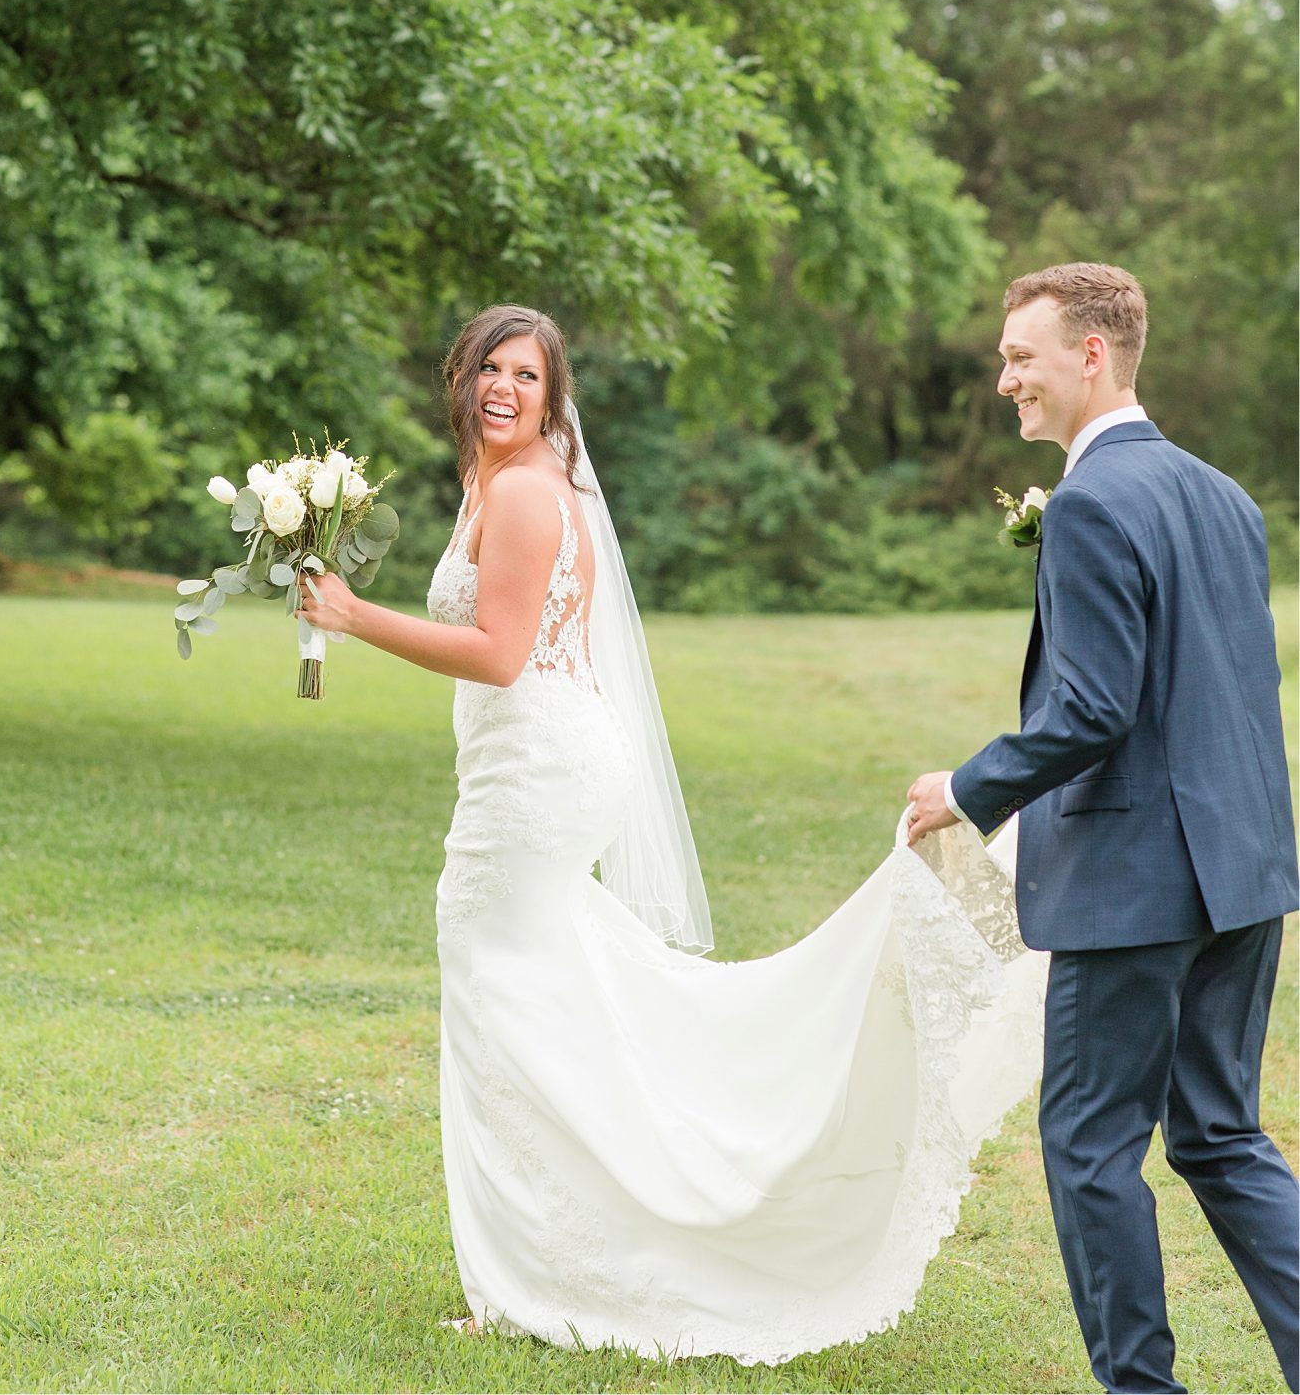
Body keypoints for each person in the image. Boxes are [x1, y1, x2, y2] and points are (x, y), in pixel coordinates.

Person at [300, 302, 1047, 1362]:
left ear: (553, 396)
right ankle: (533, 1257)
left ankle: (529, 1275)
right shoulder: (504, 481)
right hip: (546, 759)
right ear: (459, 380)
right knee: (547, 996)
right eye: (487, 368)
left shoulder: (521, 489)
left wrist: (352, 618)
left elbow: (503, 650)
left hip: (537, 772)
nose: (503, 387)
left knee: (498, 994)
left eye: (527, 373)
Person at [907, 262, 1299, 1395]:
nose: (1002, 379)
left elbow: (1091, 704)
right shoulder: (1224, 494)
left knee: (1087, 1148)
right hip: (1242, 877)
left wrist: (968, 788)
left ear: (1090, 354)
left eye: (1021, 356)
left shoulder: (1088, 501)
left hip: (1135, 888)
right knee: (1221, 1137)